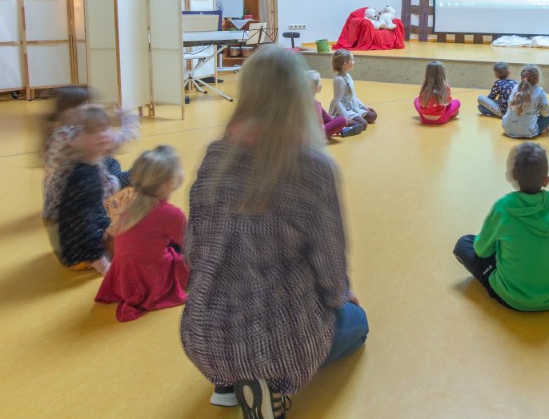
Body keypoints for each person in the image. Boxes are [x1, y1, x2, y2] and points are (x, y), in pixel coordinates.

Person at [181, 47, 367, 418]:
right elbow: (329, 264)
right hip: (283, 338)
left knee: (235, 322)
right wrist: (341, 296)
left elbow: (194, 249)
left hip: (205, 331)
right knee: (356, 323)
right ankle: (269, 382)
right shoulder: (313, 168)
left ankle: (228, 380)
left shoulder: (216, 155)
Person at [453, 142, 549, 312]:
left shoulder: (503, 207)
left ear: (513, 176)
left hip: (513, 298)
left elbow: (481, 250)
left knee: (464, 244)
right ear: (546, 180)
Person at [41, 86, 140, 257]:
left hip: (56, 205)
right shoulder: (77, 136)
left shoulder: (58, 132)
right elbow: (121, 140)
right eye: (85, 104)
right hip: (80, 210)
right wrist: (128, 117)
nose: (90, 107)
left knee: (110, 161)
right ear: (69, 110)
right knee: (139, 174)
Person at [95, 146, 189, 322]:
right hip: (151, 277)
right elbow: (194, 245)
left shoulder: (129, 201)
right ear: (170, 181)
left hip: (124, 278)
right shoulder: (172, 214)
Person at [56, 107, 120, 274]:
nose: (102, 135)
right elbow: (84, 225)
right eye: (92, 131)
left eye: (105, 128)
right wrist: (103, 265)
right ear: (76, 140)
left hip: (89, 240)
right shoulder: (83, 177)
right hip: (83, 254)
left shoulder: (90, 163)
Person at [501, 64, 549, 138]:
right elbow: (545, 114)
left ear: (521, 77)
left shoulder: (515, 87)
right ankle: (540, 130)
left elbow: (509, 106)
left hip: (507, 128)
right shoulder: (539, 91)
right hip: (528, 131)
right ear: (537, 79)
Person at [329, 49, 377, 132]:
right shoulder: (339, 79)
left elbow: (353, 96)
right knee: (363, 124)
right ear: (345, 64)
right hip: (344, 110)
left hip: (352, 107)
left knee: (373, 115)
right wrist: (346, 117)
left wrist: (363, 106)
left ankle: (351, 122)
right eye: (352, 60)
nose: (354, 61)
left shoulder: (348, 76)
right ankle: (341, 124)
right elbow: (338, 101)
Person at [307, 70, 362, 139]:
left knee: (326, 115)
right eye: (320, 82)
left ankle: (342, 128)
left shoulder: (305, 101)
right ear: (314, 87)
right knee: (342, 120)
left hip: (307, 133)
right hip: (315, 136)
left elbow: (325, 116)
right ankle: (343, 129)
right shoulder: (315, 105)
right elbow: (320, 129)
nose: (321, 84)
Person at [414, 60, 461, 125]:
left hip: (424, 119)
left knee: (416, 100)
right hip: (440, 120)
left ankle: (426, 114)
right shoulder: (445, 87)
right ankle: (449, 115)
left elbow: (421, 102)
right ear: (442, 73)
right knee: (457, 102)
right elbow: (448, 103)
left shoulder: (424, 87)